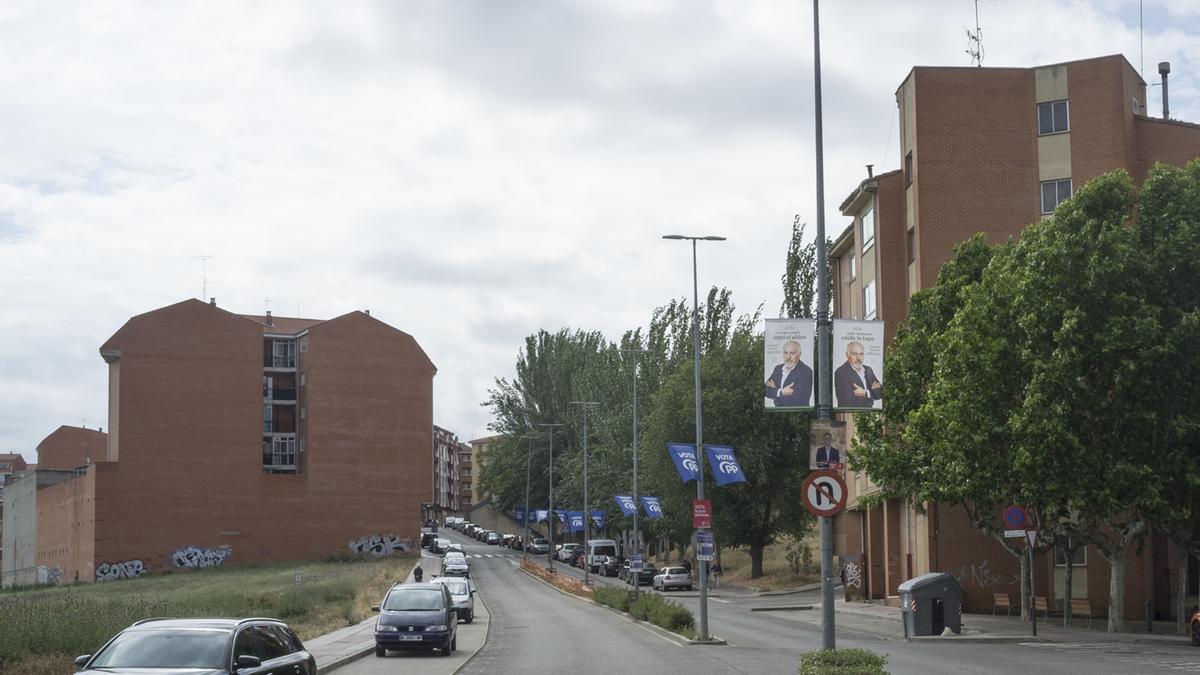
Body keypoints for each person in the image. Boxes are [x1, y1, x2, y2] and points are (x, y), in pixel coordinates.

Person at [764, 340, 813, 407]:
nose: (788, 357)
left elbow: (799, 400)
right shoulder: (778, 369)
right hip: (777, 413)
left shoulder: (805, 371)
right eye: (786, 353)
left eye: (792, 353)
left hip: (798, 414)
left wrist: (775, 393)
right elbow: (765, 391)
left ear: (799, 354)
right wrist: (781, 392)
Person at [834, 341, 882, 408]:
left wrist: (865, 393)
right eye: (854, 354)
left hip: (869, 412)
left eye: (861, 354)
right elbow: (846, 402)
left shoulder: (868, 370)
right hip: (853, 414)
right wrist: (871, 392)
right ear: (847, 355)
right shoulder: (841, 372)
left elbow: (880, 393)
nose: (858, 357)